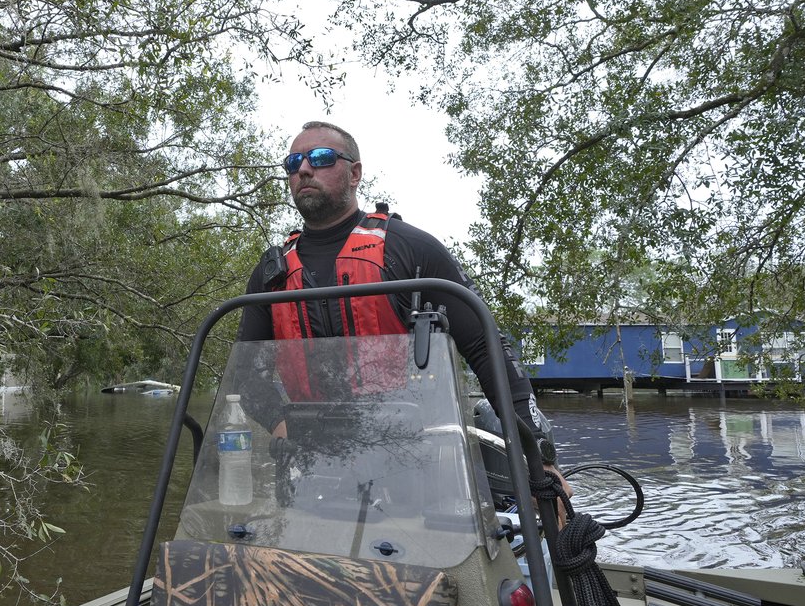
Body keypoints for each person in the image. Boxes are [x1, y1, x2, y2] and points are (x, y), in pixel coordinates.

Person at [236, 120, 562, 502]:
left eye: (321, 158)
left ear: (354, 173)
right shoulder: (271, 275)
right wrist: (279, 423)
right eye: (294, 163)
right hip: (310, 470)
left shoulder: (411, 249)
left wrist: (539, 457)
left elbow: (487, 349)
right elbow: (246, 375)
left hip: (413, 460)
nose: (304, 169)